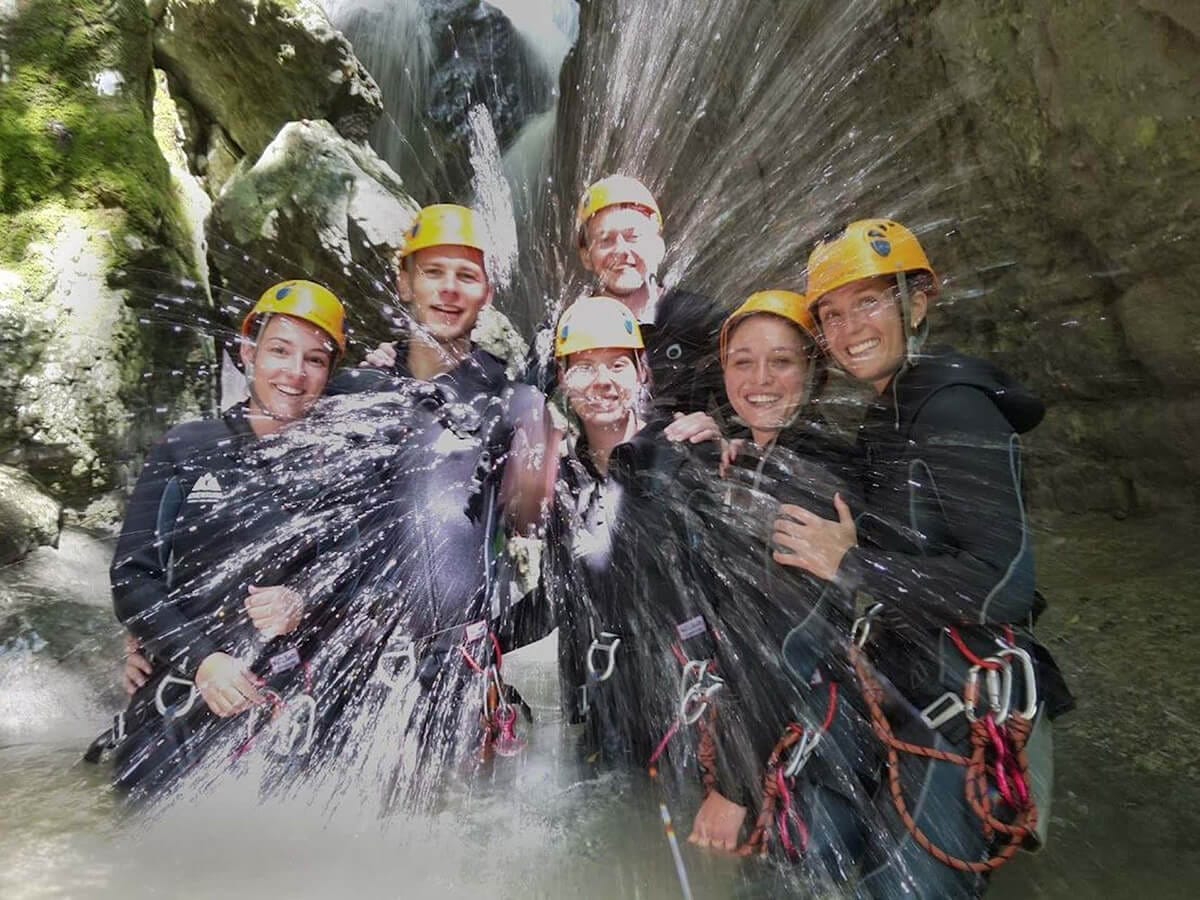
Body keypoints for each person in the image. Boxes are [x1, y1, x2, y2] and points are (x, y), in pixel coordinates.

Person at [773, 219, 1072, 897]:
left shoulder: (954, 409)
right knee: (804, 856)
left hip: (961, 697)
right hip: (900, 675)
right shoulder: (890, 416)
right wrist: (737, 438)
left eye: (870, 302)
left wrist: (853, 566)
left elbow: (1005, 585)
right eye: (832, 313)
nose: (850, 329)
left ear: (919, 301)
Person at [315, 203, 557, 802]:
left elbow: (532, 524)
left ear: (486, 294)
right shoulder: (355, 389)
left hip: (459, 661)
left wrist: (539, 455)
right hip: (356, 654)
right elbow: (300, 515)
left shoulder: (512, 401)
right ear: (405, 281)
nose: (449, 290)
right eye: (434, 272)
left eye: (466, 276)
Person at [94, 280, 353, 799]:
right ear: (247, 352)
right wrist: (202, 660)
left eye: (315, 360)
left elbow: (357, 580)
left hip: (288, 711)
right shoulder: (186, 449)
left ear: (328, 375)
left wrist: (303, 600)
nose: (295, 373)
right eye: (279, 351)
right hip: (179, 702)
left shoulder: (340, 467)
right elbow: (132, 578)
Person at [683, 291, 871, 889]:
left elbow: (782, 643)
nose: (760, 379)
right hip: (785, 727)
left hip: (809, 744)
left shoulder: (810, 477)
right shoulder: (766, 457)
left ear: (812, 371)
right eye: (742, 361)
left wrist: (736, 791)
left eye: (782, 361)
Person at [526, 175, 727, 421]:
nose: (621, 250)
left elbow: (748, 419)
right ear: (586, 256)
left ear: (658, 246)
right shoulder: (562, 330)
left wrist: (720, 437)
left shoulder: (702, 321)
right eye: (605, 240)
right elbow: (523, 412)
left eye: (633, 237)